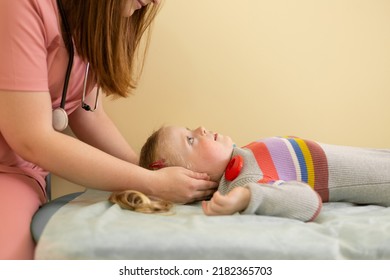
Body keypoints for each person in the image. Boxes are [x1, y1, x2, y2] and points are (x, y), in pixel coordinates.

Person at [0, 1, 217, 260]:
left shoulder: (90, 26)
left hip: (20, 172)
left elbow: (87, 112)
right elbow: (31, 138)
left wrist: (144, 171)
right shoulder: (22, 7)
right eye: (190, 136)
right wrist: (151, 181)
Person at [109, 125, 390, 221]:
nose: (202, 129)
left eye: (190, 129)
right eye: (191, 140)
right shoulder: (240, 182)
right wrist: (246, 198)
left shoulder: (240, 159)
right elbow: (308, 203)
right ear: (189, 176)